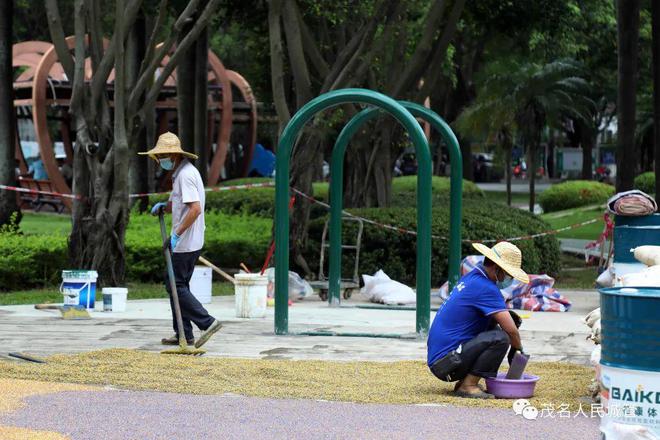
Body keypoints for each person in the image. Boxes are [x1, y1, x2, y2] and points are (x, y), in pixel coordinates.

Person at [139, 132, 222, 348]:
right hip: (187, 240)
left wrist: (176, 235)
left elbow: (195, 209)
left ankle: (207, 322)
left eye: (162, 156)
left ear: (172, 155)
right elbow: (182, 202)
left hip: (186, 242)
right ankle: (183, 334)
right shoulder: (180, 172)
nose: (160, 161)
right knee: (177, 285)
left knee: (174, 284)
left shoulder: (185, 174)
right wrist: (165, 207)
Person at [427, 241, 529, 399]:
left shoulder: (472, 277)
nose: (508, 279)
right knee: (501, 338)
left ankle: (464, 381)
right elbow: (511, 331)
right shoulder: (486, 288)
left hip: (441, 359)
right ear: (497, 268)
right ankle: (468, 385)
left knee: (502, 323)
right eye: (508, 274)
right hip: (446, 364)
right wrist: (517, 350)